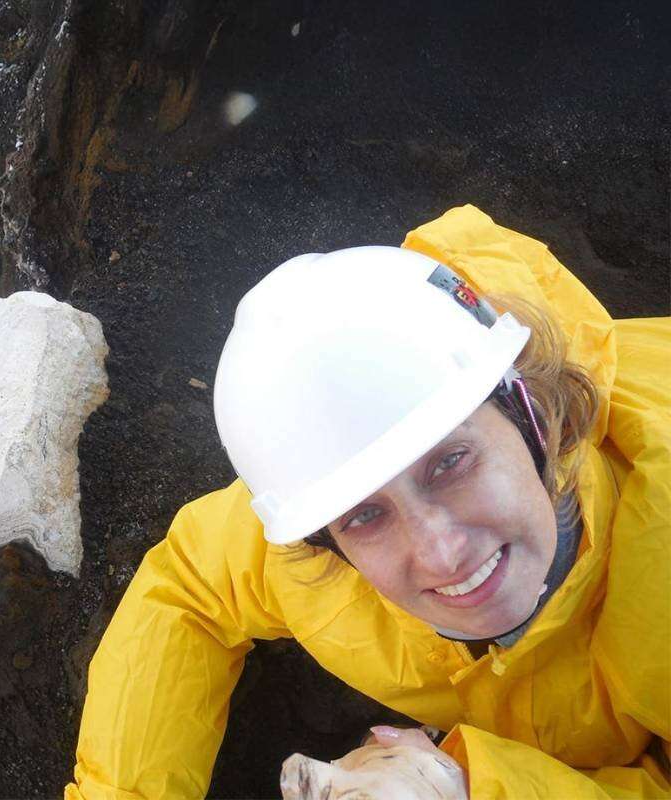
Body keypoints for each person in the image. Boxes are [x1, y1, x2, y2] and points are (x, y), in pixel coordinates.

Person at [65, 205, 670, 798]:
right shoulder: (315, 542)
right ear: (324, 541)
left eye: (451, 462)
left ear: (533, 415)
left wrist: (470, 787)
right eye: (365, 515)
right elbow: (191, 585)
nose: (441, 552)